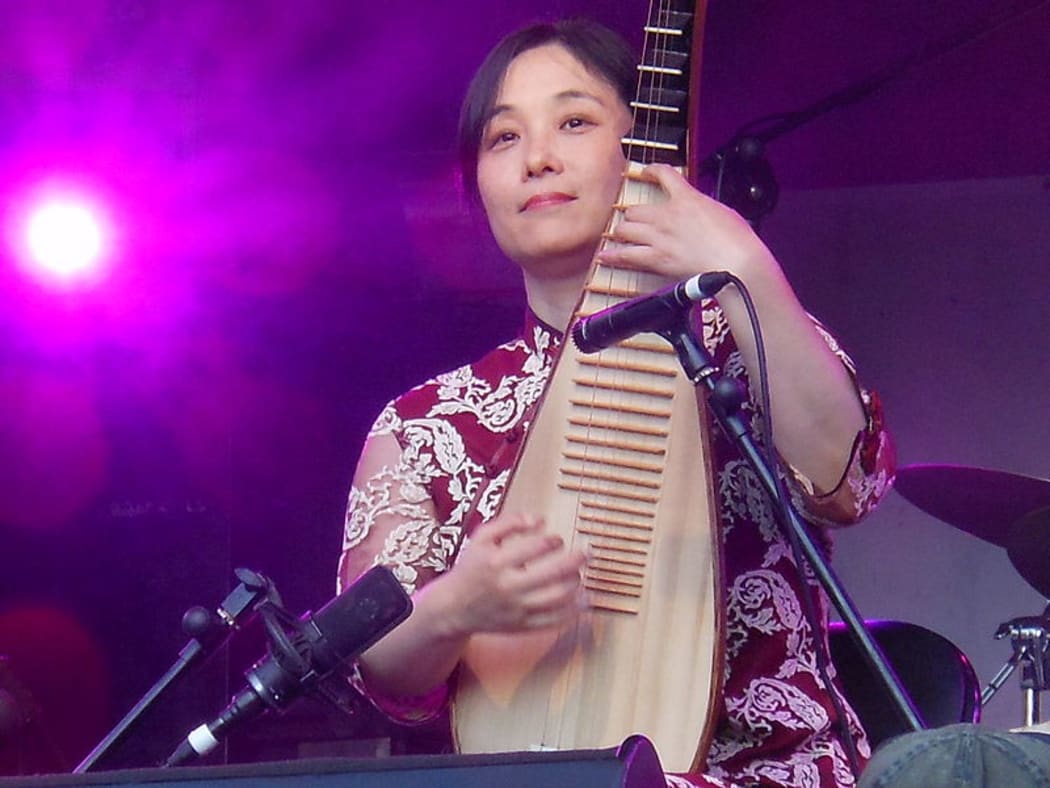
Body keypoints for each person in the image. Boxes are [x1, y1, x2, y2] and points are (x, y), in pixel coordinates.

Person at [337, 18, 894, 788]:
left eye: (574, 122)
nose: (538, 159)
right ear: (478, 189)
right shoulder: (427, 424)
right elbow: (379, 671)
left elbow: (850, 482)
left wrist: (742, 266)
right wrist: (455, 605)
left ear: (642, 155)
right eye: (504, 140)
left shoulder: (737, 340)